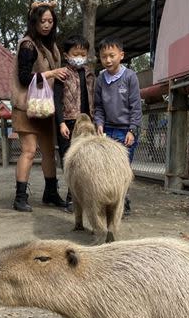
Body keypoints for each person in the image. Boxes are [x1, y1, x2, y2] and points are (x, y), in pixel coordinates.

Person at [11, 1, 70, 212]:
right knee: (29, 150)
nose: (46, 25)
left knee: (48, 152)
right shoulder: (28, 44)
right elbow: (24, 77)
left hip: (45, 108)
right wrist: (52, 73)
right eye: (42, 21)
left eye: (50, 21)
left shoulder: (52, 46)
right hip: (26, 107)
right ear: (34, 22)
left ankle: (51, 193)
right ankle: (20, 197)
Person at [93, 37, 142, 215]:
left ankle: (123, 201)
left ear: (121, 55)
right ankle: (110, 202)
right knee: (106, 168)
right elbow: (98, 106)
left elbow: (136, 107)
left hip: (125, 130)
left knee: (123, 168)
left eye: (112, 55)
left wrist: (132, 130)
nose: (108, 60)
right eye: (104, 56)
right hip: (107, 130)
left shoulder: (130, 77)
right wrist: (98, 123)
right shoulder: (100, 79)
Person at [53, 34, 95, 212]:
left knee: (85, 160)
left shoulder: (91, 73)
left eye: (83, 53)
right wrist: (61, 123)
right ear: (66, 55)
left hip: (87, 123)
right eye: (76, 54)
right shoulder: (62, 74)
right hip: (68, 123)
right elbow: (56, 101)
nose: (80, 57)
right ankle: (71, 198)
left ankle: (83, 196)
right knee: (69, 160)